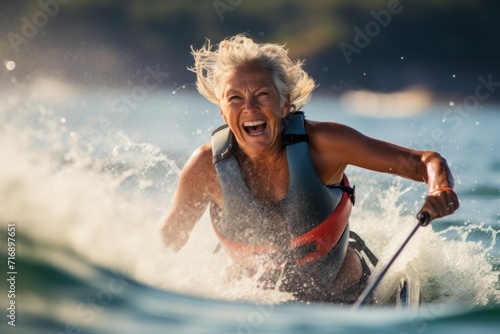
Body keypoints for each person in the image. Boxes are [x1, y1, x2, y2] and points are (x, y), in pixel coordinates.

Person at [161, 34, 459, 304]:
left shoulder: (325, 145)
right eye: (235, 98)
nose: (249, 106)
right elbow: (167, 242)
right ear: (223, 110)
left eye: (262, 94)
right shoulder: (206, 168)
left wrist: (440, 188)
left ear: (285, 103)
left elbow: (425, 161)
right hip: (250, 305)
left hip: (345, 299)